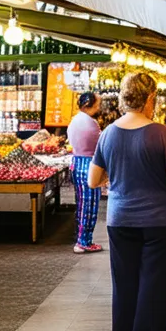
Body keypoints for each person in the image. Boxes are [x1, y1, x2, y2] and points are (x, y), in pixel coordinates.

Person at [88, 73, 166, 331]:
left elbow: (93, 180)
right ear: (150, 99)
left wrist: (122, 178)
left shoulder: (108, 133)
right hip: (158, 222)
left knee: (124, 283)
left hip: (119, 220)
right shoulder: (160, 134)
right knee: (153, 285)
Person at [67, 92, 103, 254]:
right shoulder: (91, 123)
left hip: (77, 163)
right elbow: (100, 145)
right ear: (90, 104)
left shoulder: (75, 120)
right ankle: (84, 242)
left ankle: (81, 239)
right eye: (97, 104)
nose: (99, 107)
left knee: (81, 204)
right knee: (90, 205)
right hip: (89, 165)